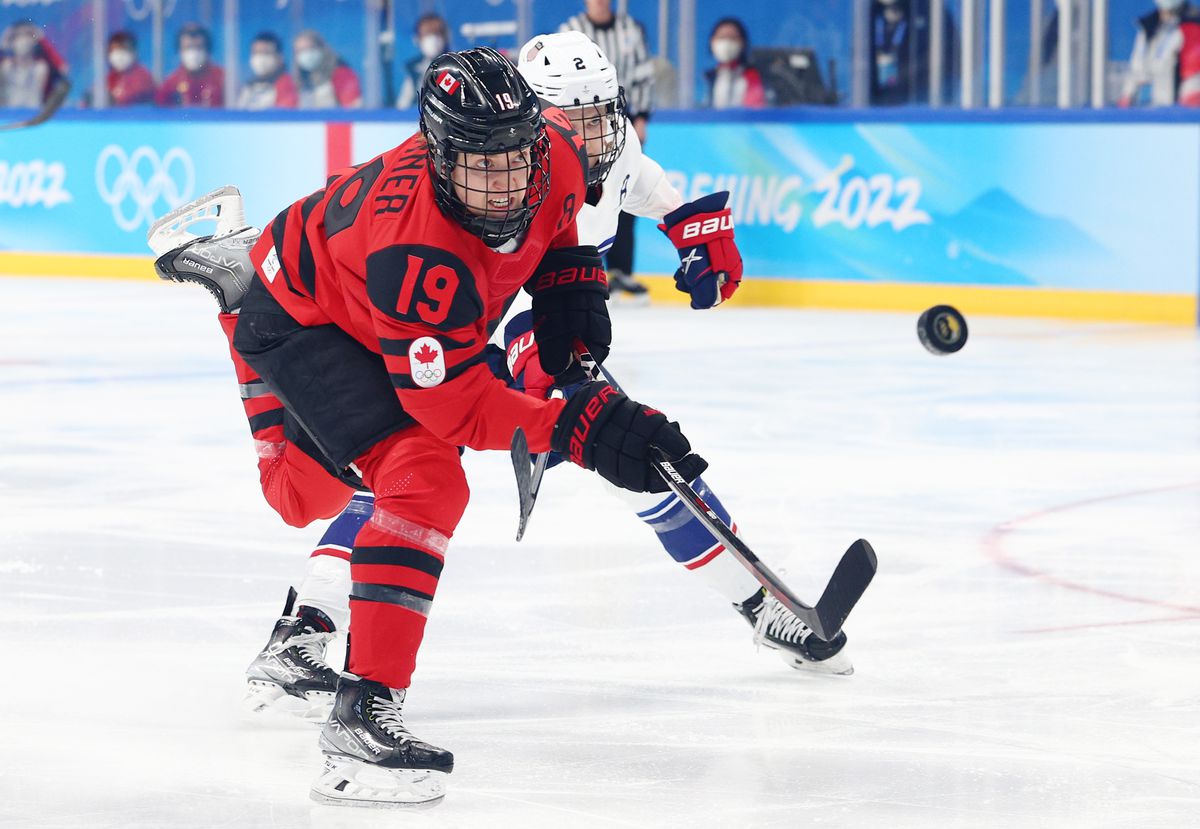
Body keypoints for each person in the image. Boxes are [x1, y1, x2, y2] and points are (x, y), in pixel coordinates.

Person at [154, 47, 708, 807]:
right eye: (482, 165)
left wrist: (569, 299)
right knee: (418, 479)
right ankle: (362, 714)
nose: (507, 182)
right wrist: (583, 430)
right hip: (304, 321)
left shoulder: (555, 151)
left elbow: (562, 223)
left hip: (360, 301)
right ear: (441, 155)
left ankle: (237, 285)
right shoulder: (419, 254)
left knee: (313, 498)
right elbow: (457, 407)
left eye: (520, 158)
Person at [561, 0, 654, 300]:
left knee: (623, 191)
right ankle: (583, 269)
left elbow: (643, 77)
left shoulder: (630, 30)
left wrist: (640, 118)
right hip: (577, 127)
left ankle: (621, 271)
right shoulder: (571, 30)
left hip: (618, 125)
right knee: (578, 196)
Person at [868, 0, 956, 106]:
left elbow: (953, 60)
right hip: (872, 102)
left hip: (919, 104)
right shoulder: (866, 14)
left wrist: (905, 75)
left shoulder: (931, 12)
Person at [1118, 1, 1200, 107]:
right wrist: (1127, 94)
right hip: (1155, 109)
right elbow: (1136, 67)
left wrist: (1192, 98)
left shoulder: (1194, 23)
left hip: (1183, 111)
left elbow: (1194, 72)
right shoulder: (1148, 26)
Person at [0, 19, 67, 109]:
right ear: (11, 40)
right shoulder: (6, 66)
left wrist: (42, 40)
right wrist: (3, 43)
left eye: (28, 35)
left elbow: (63, 69)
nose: (23, 39)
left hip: (34, 116)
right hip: (8, 116)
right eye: (18, 35)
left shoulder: (41, 67)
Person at [704, 17, 768, 108]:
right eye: (721, 37)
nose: (726, 43)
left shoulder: (753, 75)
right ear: (712, 42)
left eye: (732, 38)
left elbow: (756, 107)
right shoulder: (708, 77)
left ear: (743, 43)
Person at [156, 23, 224, 108]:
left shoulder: (222, 78)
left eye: (198, 47)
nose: (193, 53)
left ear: (207, 50)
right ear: (179, 51)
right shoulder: (170, 84)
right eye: (188, 48)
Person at [293, 29, 361, 108]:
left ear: (321, 48)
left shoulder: (341, 73)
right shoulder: (300, 79)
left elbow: (353, 107)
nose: (305, 54)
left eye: (310, 48)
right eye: (300, 51)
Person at [396, 13, 450, 108]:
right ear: (418, 38)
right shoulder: (414, 68)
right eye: (427, 34)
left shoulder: (453, 65)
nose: (433, 39)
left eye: (437, 33)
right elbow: (403, 103)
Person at [237, 32, 297, 110]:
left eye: (266, 53)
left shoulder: (286, 84)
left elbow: (283, 114)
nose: (260, 58)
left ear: (279, 57)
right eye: (256, 53)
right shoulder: (249, 86)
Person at [105, 31, 154, 107]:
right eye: (114, 50)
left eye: (124, 50)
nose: (119, 56)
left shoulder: (142, 76)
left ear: (134, 52)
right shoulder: (111, 77)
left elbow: (129, 99)